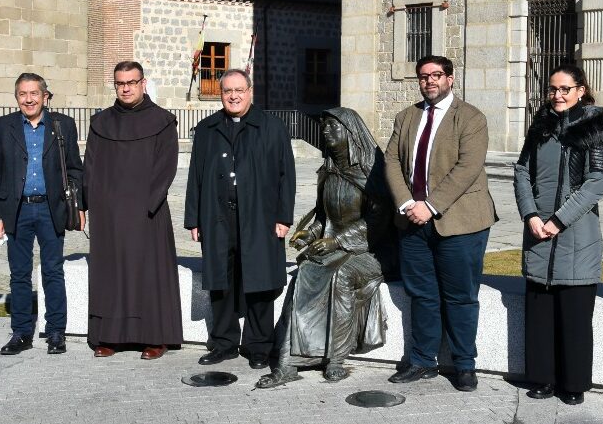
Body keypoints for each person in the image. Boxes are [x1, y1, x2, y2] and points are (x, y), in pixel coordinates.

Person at [256, 107, 394, 387]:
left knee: (341, 277)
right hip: (336, 247)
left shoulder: (371, 172)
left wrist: (338, 241)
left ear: (351, 132)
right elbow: (323, 215)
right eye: (325, 127)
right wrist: (308, 234)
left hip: (372, 251)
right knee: (304, 272)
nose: (326, 132)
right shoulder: (329, 172)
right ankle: (289, 362)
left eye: (334, 127)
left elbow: (379, 220)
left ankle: (336, 359)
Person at [384, 55, 497, 392]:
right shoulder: (406, 117)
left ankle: (464, 364)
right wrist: (407, 204)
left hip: (460, 223)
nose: (429, 81)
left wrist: (430, 206)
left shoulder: (471, 118)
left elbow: (468, 168)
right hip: (412, 223)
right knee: (421, 295)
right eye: (423, 76)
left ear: (450, 78)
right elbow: (391, 162)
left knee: (461, 296)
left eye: (436, 75)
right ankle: (422, 360)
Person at [514, 65, 603, 405]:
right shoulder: (541, 126)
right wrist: (531, 214)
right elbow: (521, 171)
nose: (557, 95)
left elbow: (596, 184)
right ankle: (542, 378)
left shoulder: (595, 129)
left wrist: (558, 221)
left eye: (564, 89)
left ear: (580, 90)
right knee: (540, 312)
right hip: (537, 233)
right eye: (552, 89)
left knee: (574, 316)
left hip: (576, 234)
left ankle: (574, 383)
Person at [185, 69, 295, 370]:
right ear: (221, 94)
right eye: (227, 91)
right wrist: (194, 218)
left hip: (260, 217)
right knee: (221, 281)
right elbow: (195, 175)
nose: (233, 96)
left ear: (250, 92)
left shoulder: (272, 127)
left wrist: (284, 217)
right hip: (217, 217)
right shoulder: (208, 128)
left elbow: (287, 176)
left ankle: (259, 346)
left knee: (259, 280)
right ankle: (223, 343)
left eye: (239, 90)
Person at [83, 61, 181, 359]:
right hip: (109, 214)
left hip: (146, 214)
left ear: (143, 83)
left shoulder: (163, 121)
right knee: (109, 275)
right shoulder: (101, 123)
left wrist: (146, 204)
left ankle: (154, 337)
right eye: (120, 83)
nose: (125, 88)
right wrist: (90, 204)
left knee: (148, 275)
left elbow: (166, 166)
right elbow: (91, 165)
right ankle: (109, 336)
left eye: (131, 82)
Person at [0, 72, 83, 356]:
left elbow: (75, 168)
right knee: (19, 274)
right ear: (17, 97)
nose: (28, 99)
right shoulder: (3, 126)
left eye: (34, 94)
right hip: (15, 210)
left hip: (50, 209)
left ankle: (55, 331)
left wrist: (78, 206)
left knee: (53, 271)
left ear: (45, 96)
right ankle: (21, 333)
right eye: (22, 94)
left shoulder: (63, 125)